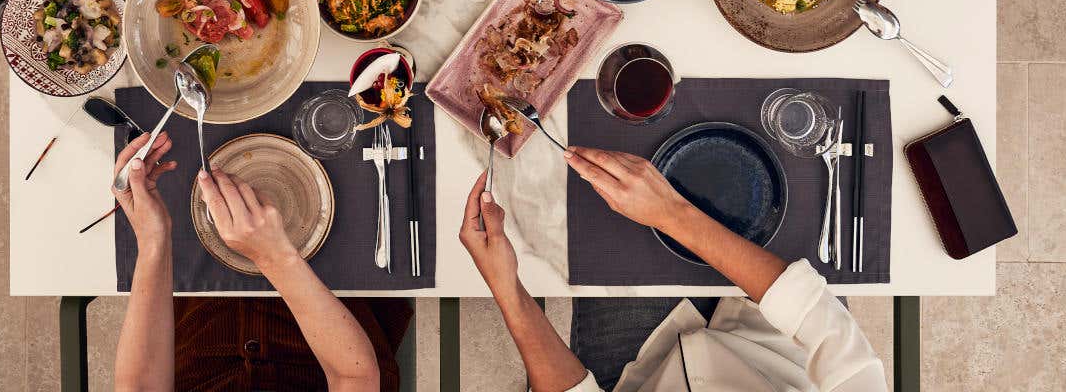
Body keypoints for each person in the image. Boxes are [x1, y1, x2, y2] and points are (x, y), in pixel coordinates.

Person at [459, 146, 887, 391]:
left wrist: (507, 287)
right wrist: (670, 212)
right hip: (779, 338)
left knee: (585, 198)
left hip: (649, 361)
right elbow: (828, 329)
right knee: (778, 165)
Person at [111, 131, 411, 390]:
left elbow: (140, 386)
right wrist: (274, 256)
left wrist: (153, 238)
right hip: (337, 326)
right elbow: (355, 376)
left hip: (201, 324)